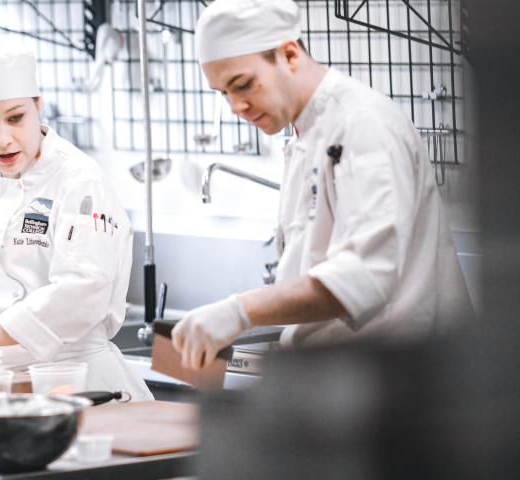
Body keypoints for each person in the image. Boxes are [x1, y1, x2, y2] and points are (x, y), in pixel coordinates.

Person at [171, 0, 474, 370]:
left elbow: (365, 274)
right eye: (223, 93)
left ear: (288, 54)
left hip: (400, 377)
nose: (236, 106)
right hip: (347, 375)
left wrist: (240, 310)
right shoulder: (305, 135)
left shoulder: (362, 124)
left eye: (242, 84)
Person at [0, 41, 153, 400]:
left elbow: (82, 292)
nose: (2, 139)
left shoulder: (79, 181)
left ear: (38, 107)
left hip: (79, 381)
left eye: (15, 118)